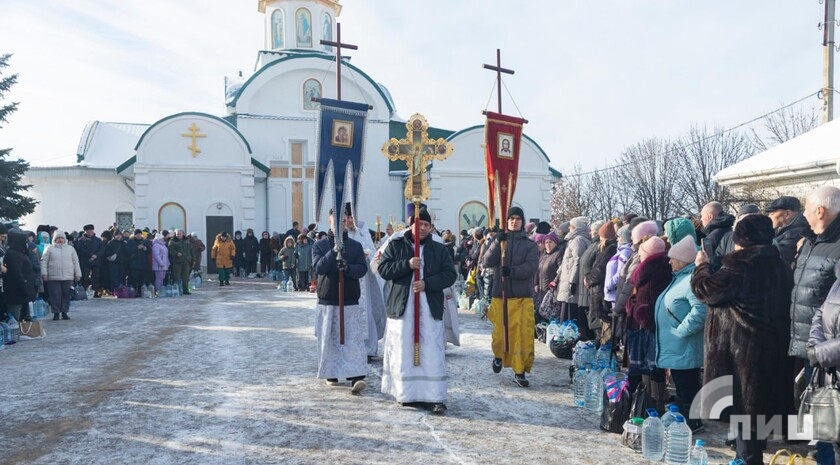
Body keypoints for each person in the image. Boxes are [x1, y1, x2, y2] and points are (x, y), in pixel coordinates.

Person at [692, 214, 791, 465]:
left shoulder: (740, 265)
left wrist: (701, 266)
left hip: (741, 353)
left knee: (745, 417)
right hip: (769, 349)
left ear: (740, 239)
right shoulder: (780, 265)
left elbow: (706, 290)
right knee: (754, 419)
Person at [378, 205, 457, 411]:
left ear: (431, 227)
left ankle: (433, 396)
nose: (422, 228)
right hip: (403, 309)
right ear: (411, 225)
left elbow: (450, 274)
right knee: (405, 349)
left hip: (429, 309)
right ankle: (407, 392)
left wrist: (427, 283)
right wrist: (407, 264)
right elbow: (383, 269)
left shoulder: (438, 248)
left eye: (426, 225)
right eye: (418, 224)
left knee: (430, 350)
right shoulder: (395, 244)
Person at [312, 207, 369, 393]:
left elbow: (362, 268)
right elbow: (319, 268)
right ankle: (331, 372)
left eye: (343, 220)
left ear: (347, 222)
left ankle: (356, 376)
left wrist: (348, 268)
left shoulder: (355, 246)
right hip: (328, 299)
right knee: (330, 339)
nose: (340, 224)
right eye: (335, 220)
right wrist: (333, 252)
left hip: (349, 299)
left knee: (351, 340)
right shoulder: (319, 245)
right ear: (329, 222)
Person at [654, 236, 706, 432]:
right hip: (676, 346)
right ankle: (685, 422)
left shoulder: (691, 279)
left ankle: (691, 423)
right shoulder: (679, 278)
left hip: (684, 345)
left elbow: (701, 310)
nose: (669, 261)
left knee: (687, 386)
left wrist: (682, 331)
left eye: (673, 258)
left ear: (683, 260)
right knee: (683, 386)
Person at [483, 206, 539, 387]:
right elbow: (486, 261)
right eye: (511, 219)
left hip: (522, 296)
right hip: (501, 295)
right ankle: (499, 355)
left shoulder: (530, 244)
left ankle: (519, 370)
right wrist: (495, 243)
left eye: (518, 219)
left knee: (522, 334)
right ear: (506, 221)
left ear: (523, 222)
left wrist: (512, 271)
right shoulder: (500, 241)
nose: (514, 221)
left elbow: (531, 267)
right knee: (501, 332)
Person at [625, 236, 671, 410]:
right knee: (644, 366)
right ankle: (640, 402)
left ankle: (648, 404)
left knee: (649, 367)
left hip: (647, 325)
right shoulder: (652, 268)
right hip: (641, 323)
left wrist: (642, 312)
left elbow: (656, 298)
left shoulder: (657, 270)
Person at [341, 202, 388, 360]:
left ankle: (368, 347)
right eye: (347, 218)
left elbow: (372, 252)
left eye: (352, 217)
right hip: (346, 278)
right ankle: (348, 346)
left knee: (365, 311)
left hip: (363, 278)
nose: (349, 221)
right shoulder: (340, 233)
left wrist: (366, 255)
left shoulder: (362, 231)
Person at [557, 216, 592, 340]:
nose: (569, 229)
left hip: (571, 284)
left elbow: (578, 261)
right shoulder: (575, 240)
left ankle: (570, 341)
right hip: (567, 282)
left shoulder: (578, 240)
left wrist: (573, 281)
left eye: (571, 227)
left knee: (570, 316)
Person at [40, 230, 81, 320]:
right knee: (55, 295)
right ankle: (56, 312)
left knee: (66, 295)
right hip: (53, 277)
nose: (60, 240)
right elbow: (43, 262)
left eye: (62, 238)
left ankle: (64, 312)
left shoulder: (70, 249)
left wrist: (77, 274)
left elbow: (75, 262)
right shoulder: (49, 248)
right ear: (54, 239)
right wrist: (44, 274)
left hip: (68, 276)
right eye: (58, 238)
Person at [765, 195, 812, 269]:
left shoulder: (795, 234)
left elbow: (773, 257)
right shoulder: (784, 231)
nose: (769, 217)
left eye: (772, 214)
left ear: (787, 214)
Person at [2, 231, 36, 321]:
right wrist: (24, 288)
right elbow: (16, 273)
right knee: (16, 317)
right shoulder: (14, 254)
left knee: (21, 316)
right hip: (17, 293)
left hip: (21, 293)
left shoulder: (19, 253)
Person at [535, 232, 563, 323]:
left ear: (555, 243)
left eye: (550, 242)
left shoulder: (558, 254)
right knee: (541, 311)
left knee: (550, 313)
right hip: (541, 288)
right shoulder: (543, 256)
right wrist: (536, 283)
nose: (548, 244)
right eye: (546, 242)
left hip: (551, 289)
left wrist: (555, 282)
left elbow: (561, 270)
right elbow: (537, 270)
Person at [75, 224, 103, 297]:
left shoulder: (98, 240)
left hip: (96, 261)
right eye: (89, 230)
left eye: (92, 230)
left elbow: (102, 249)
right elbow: (81, 250)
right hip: (85, 261)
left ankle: (95, 292)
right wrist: (91, 255)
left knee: (96, 278)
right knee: (85, 277)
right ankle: (85, 292)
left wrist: (96, 255)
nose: (91, 232)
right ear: (86, 231)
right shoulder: (80, 240)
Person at [126, 229, 152, 294]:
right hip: (134, 264)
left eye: (140, 234)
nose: (138, 235)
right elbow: (128, 251)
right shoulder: (131, 242)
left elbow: (149, 250)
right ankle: (134, 292)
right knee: (134, 279)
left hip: (143, 264)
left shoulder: (145, 241)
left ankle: (141, 292)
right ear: (134, 235)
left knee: (142, 279)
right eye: (137, 234)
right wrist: (137, 248)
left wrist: (145, 249)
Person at [168, 230, 193, 294]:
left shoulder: (187, 241)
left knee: (186, 277)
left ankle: (185, 290)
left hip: (186, 261)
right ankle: (177, 290)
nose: (178, 235)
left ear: (183, 234)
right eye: (177, 234)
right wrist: (176, 253)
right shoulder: (172, 241)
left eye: (180, 234)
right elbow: (170, 250)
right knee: (176, 277)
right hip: (177, 262)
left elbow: (191, 251)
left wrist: (193, 259)